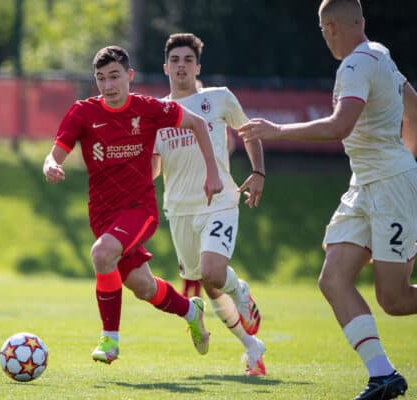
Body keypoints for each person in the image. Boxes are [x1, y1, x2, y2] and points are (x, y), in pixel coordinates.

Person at [239, 1, 416, 398]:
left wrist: (277, 131)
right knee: (333, 278)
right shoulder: (381, 53)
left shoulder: (355, 65)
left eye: (323, 31)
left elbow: (340, 125)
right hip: (367, 184)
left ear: (330, 28)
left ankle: (383, 375)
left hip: (388, 187)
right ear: (363, 23)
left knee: (396, 298)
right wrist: (407, 159)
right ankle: (383, 376)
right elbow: (414, 109)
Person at [43, 45, 223, 364]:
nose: (108, 86)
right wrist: (51, 165)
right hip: (102, 215)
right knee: (144, 287)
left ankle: (109, 340)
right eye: (101, 79)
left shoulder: (148, 109)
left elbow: (196, 123)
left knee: (101, 253)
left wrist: (212, 172)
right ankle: (190, 310)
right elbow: (57, 151)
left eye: (114, 77)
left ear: (129, 76)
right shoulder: (83, 112)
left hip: (140, 210)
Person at [153, 33, 266, 376]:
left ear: (197, 66)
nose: (182, 66)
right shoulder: (157, 111)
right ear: (165, 67)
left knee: (215, 272)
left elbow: (249, 132)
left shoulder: (218, 99)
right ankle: (252, 347)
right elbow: (155, 166)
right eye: (175, 61)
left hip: (219, 201)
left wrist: (259, 171)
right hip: (179, 209)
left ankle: (242, 292)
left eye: (188, 60)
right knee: (207, 282)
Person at [182, 79, 237, 299]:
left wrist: (217, 164)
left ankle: (196, 296)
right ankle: (189, 294)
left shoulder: (211, 114)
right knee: (189, 256)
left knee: (206, 260)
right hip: (186, 195)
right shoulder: (176, 115)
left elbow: (229, 142)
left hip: (212, 194)